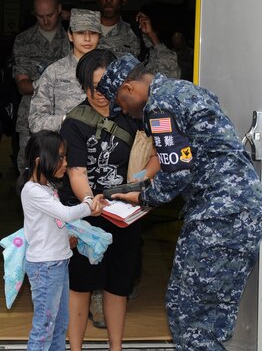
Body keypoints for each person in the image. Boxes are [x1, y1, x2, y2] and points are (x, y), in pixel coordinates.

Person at [92, 51, 262, 351]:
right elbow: (189, 156)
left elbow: (177, 173)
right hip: (237, 210)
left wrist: (142, 197)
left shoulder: (159, 106)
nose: (127, 112)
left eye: (121, 103)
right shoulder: (185, 89)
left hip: (218, 216)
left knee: (191, 319)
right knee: (208, 316)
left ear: (129, 88)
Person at [58, 49, 160, 351]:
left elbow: (157, 155)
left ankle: (116, 347)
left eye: (104, 86)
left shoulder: (133, 113)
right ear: (83, 87)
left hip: (125, 213)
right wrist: (90, 202)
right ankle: (74, 348)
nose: (99, 94)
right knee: (81, 284)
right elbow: (76, 173)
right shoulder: (75, 122)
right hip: (85, 213)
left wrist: (138, 185)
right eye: (91, 87)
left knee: (118, 283)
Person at [16, 129, 105, 351]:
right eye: (61, 157)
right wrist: (89, 204)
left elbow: (53, 222)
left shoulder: (47, 188)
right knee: (44, 328)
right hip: (45, 268)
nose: (66, 163)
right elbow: (64, 214)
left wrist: (67, 237)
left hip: (58, 263)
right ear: (40, 160)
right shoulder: (32, 190)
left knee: (58, 325)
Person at [12, 0, 70, 173]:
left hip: (65, 118)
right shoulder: (24, 40)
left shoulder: (74, 37)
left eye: (50, 15)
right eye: (40, 16)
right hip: (32, 118)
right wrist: (49, 84)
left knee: (66, 172)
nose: (45, 21)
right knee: (30, 173)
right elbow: (22, 85)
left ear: (60, 9)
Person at [29, 8, 102, 133]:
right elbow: (36, 122)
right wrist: (68, 120)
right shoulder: (54, 72)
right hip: (66, 147)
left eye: (93, 33)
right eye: (80, 32)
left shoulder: (111, 70)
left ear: (99, 36)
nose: (87, 38)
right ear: (70, 35)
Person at [97, 0, 181, 78]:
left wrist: (151, 35)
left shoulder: (136, 35)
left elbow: (171, 73)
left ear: (124, 0)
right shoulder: (82, 32)